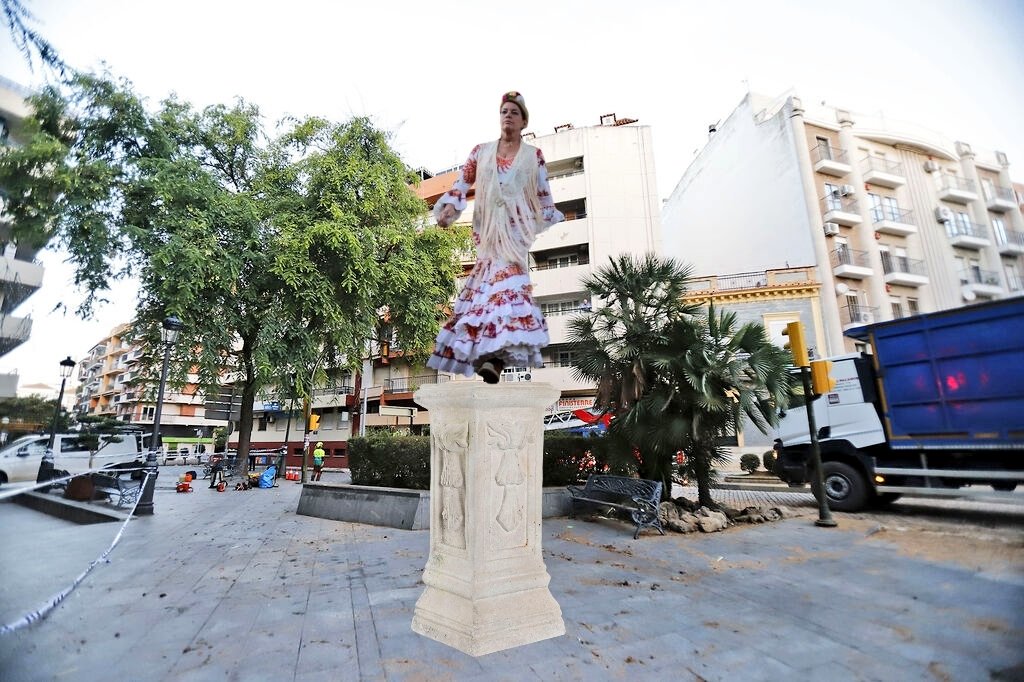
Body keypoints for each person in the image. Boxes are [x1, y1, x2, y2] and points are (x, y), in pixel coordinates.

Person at [427, 91, 564, 384]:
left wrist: (547, 217)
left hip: (514, 238)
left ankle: (492, 360)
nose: (508, 116)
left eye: (514, 112)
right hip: (487, 236)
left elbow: (543, 195)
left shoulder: (533, 156)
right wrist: (448, 209)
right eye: (504, 111)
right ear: (499, 116)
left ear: (523, 120)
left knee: (507, 294)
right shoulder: (481, 151)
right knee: (487, 297)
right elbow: (462, 182)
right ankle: (488, 358)